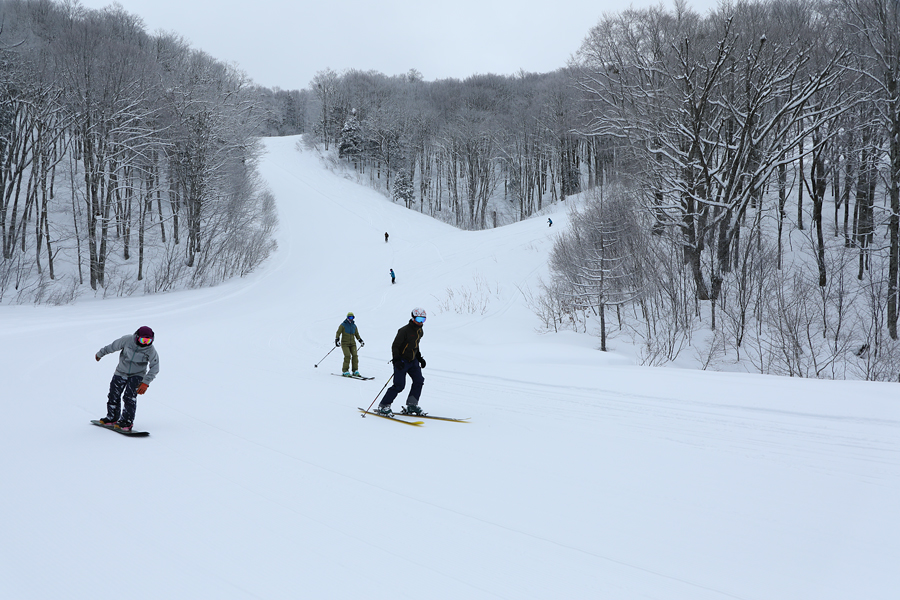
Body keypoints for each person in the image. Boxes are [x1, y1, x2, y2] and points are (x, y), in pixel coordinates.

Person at [95, 326, 159, 432]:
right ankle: (112, 418)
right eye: (143, 340)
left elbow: (155, 367)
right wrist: (101, 353)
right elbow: (112, 347)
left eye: (148, 340)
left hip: (137, 375)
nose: (145, 343)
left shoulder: (151, 350)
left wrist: (145, 383)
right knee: (113, 394)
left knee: (129, 397)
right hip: (121, 372)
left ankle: (127, 421)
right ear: (137, 337)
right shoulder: (127, 340)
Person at [375, 308, 427, 416]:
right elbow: (395, 346)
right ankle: (384, 406)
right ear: (413, 318)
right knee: (399, 385)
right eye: (418, 318)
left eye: (423, 319)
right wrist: (397, 360)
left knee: (419, 381)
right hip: (402, 361)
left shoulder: (420, 331)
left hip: (413, 361)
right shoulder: (404, 330)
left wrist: (419, 358)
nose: (420, 321)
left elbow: (415, 346)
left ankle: (412, 405)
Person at [335, 312, 365, 376]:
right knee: (347, 356)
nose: (351, 319)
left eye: (352, 317)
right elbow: (338, 332)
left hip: (353, 344)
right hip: (345, 344)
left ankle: (355, 370)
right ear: (347, 317)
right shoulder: (343, 325)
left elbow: (357, 334)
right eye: (349, 317)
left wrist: (360, 340)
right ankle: (345, 370)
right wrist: (337, 339)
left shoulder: (354, 326)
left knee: (355, 356)